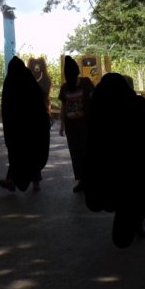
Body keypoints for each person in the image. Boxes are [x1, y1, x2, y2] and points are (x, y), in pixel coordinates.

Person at [83, 73, 145, 248]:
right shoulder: (138, 104)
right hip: (136, 164)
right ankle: (137, 221)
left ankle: (130, 221)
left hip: (113, 165)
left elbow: (94, 140)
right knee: (134, 194)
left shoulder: (101, 108)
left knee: (120, 194)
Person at [0, 57, 50, 193]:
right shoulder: (28, 79)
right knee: (29, 153)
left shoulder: (10, 81)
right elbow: (39, 101)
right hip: (31, 127)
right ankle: (14, 181)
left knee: (19, 154)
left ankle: (30, 181)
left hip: (18, 128)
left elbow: (6, 107)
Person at [57, 56, 93, 193]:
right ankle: (82, 180)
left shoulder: (85, 83)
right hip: (72, 127)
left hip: (84, 125)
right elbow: (63, 107)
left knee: (84, 151)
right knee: (76, 153)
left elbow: (92, 99)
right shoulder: (66, 87)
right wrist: (62, 125)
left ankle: (87, 179)